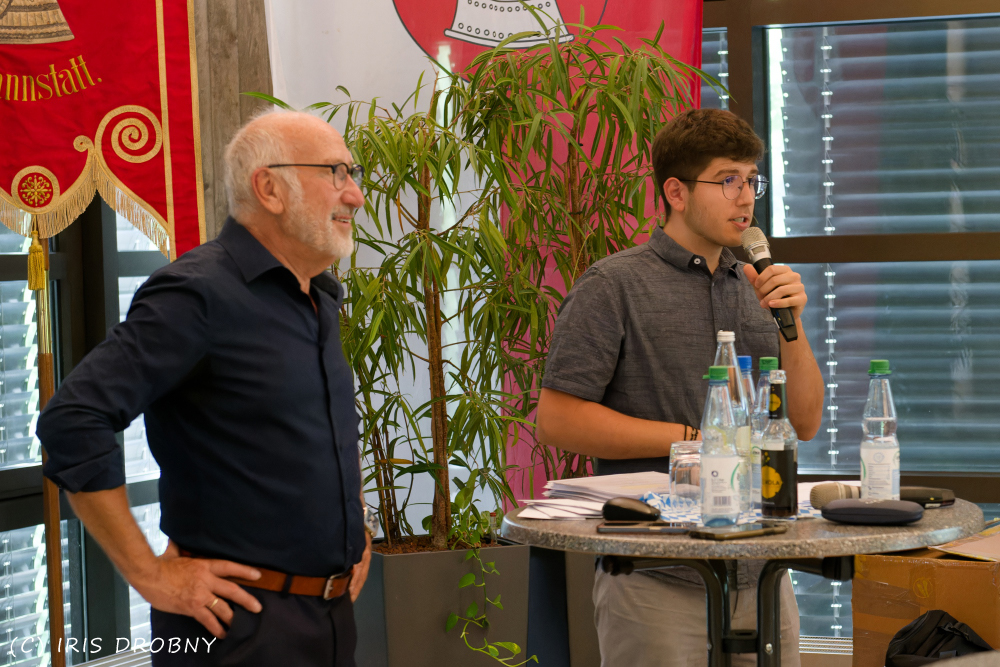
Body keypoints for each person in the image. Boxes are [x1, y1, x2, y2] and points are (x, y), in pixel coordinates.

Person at [38, 110, 371, 666]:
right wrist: (149, 575)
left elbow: (325, 434)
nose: (355, 195)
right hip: (235, 629)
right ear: (269, 188)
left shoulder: (319, 298)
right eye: (335, 173)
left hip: (331, 618)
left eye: (352, 174)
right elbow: (73, 419)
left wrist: (355, 525)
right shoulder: (196, 294)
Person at [536, 108, 825, 666]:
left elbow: (805, 422)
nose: (746, 198)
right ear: (676, 192)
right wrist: (696, 439)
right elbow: (558, 419)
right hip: (655, 576)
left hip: (762, 572)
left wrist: (792, 321)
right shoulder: (613, 285)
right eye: (728, 180)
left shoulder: (758, 288)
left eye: (752, 180)